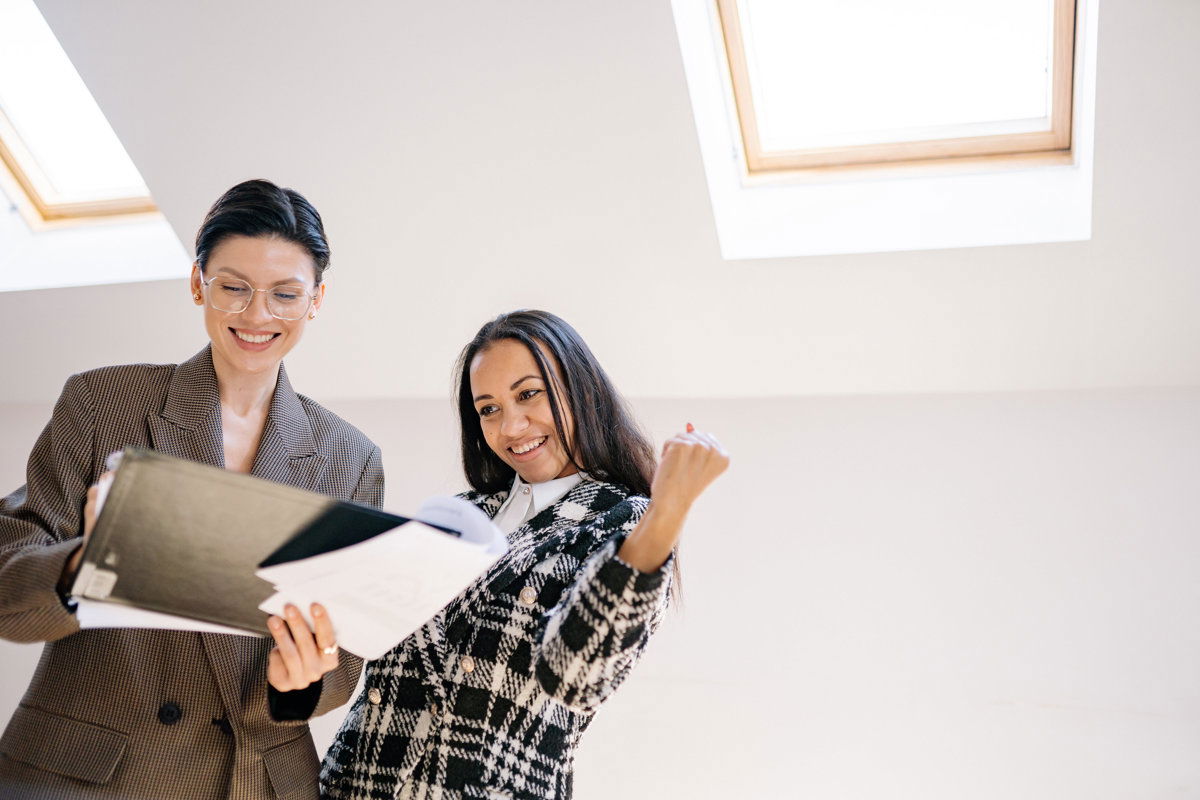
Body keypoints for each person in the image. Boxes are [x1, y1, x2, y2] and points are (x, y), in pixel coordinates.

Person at [0, 179, 383, 800]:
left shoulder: (349, 456)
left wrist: (301, 681)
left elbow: (344, 655)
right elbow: (6, 589)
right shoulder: (103, 403)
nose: (258, 315)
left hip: (249, 780)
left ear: (315, 300)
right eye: (234, 287)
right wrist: (84, 562)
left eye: (285, 294)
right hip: (91, 775)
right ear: (197, 282)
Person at [321, 310, 728, 799]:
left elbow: (576, 674)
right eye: (488, 409)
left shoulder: (627, 524)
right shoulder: (458, 516)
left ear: (580, 389)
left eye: (528, 394)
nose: (512, 426)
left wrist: (667, 512)